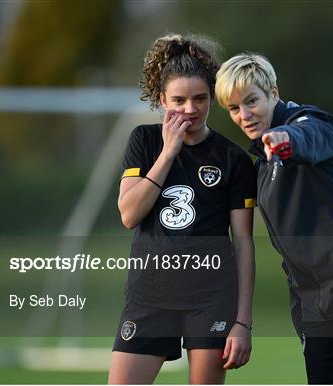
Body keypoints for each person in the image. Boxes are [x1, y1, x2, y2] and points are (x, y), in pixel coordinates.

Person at [215, 53, 333, 384]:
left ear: (273, 93)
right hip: (318, 305)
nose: (244, 115)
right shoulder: (260, 167)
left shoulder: (313, 124)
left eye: (251, 101)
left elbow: (309, 139)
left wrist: (284, 141)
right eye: (234, 108)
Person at [108, 35, 256, 385]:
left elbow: (244, 242)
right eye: (178, 100)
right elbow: (129, 215)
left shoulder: (233, 159)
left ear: (212, 99)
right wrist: (168, 153)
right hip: (149, 296)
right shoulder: (144, 142)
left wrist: (243, 322)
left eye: (200, 99)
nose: (190, 109)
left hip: (210, 300)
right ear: (161, 100)